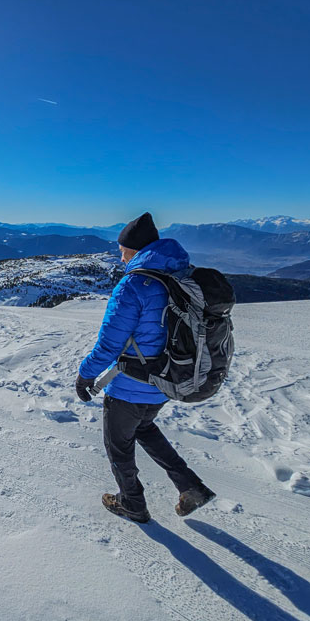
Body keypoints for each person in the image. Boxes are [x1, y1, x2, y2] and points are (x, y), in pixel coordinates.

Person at [75, 212, 216, 523]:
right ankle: (190, 486)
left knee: (118, 446)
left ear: (134, 249)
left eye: (122, 248)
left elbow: (110, 344)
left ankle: (132, 503)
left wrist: (86, 375)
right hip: (167, 379)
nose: (119, 254)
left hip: (130, 383)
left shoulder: (134, 284)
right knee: (143, 427)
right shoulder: (178, 274)